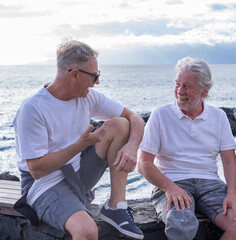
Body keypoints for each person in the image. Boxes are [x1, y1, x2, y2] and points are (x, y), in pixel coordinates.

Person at [13, 39, 144, 240]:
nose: (97, 82)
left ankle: (115, 206)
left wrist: (132, 147)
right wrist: (78, 146)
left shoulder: (88, 97)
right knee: (87, 231)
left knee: (120, 124)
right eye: (94, 76)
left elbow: (134, 117)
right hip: (44, 185)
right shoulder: (33, 109)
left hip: (78, 173)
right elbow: (36, 169)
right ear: (74, 74)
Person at [138, 56, 236, 240]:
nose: (179, 91)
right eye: (177, 84)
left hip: (211, 184)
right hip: (173, 181)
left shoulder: (219, 117)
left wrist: (233, 194)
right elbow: (144, 163)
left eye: (187, 86)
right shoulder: (161, 115)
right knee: (181, 223)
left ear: (205, 89)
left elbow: (230, 162)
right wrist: (169, 188)